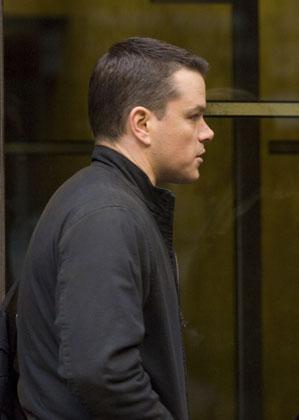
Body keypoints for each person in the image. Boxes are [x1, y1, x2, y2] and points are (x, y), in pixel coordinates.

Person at [17, 37, 214, 419]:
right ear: (141, 123)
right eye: (193, 116)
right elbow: (104, 373)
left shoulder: (102, 199)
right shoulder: (108, 214)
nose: (207, 132)